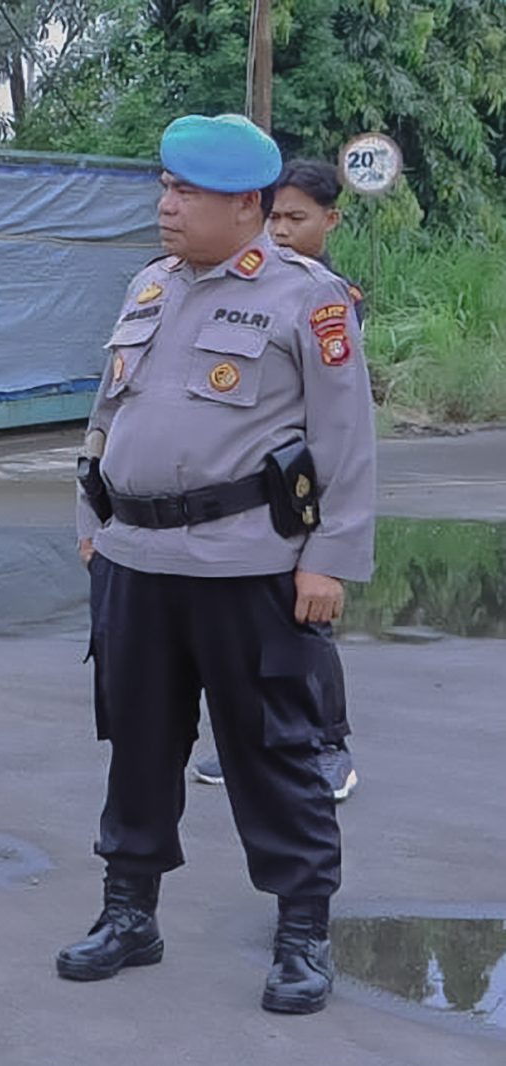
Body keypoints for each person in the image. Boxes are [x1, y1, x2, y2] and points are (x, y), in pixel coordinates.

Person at [60, 114, 375, 1015]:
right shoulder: (150, 286)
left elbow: (345, 441)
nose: (166, 205)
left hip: (251, 567)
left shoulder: (308, 301)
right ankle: (130, 915)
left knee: (274, 750)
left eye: (185, 191)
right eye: (164, 186)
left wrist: (329, 561)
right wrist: (92, 512)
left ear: (248, 206)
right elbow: (107, 410)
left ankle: (303, 936)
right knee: (138, 743)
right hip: (136, 560)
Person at [194, 159, 363, 799]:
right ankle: (242, 740)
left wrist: (335, 540)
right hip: (244, 504)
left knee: (306, 627)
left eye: (297, 218)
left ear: (330, 220)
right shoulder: (242, 286)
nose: (284, 230)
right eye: (275, 218)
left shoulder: (325, 296)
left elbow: (340, 423)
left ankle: (328, 746)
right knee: (243, 636)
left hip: (300, 492)